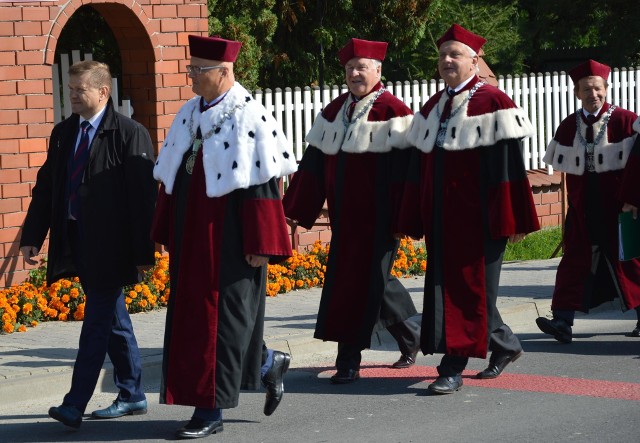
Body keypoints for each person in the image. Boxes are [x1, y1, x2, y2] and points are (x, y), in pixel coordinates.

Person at [151, 35, 297, 439]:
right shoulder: (190, 112)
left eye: (198, 70)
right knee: (201, 323)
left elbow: (264, 187)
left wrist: (263, 245)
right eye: (190, 68)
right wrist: (163, 228)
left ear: (224, 71)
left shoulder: (248, 116)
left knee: (224, 325)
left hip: (231, 241)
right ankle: (269, 363)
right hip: (191, 236)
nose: (191, 76)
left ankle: (208, 412)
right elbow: (170, 177)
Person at [395, 24, 540, 394]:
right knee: (462, 291)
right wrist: (410, 215)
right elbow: (417, 169)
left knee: (468, 291)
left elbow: (510, 168)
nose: (446, 60)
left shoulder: (493, 102)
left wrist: (513, 217)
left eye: (454, 54)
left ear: (474, 60)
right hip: (442, 219)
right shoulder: (432, 106)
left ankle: (451, 367)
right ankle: (505, 344)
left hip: (481, 219)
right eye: (443, 54)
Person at [19, 60, 157, 428]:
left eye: (80, 90)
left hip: (113, 247)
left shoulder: (129, 133)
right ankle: (132, 393)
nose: (73, 96)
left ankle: (74, 403)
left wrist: (144, 252)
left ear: (102, 92)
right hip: (76, 239)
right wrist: (33, 237)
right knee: (112, 318)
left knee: (95, 322)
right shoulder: (63, 133)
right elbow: (47, 187)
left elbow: (143, 199)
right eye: (70, 90)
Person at [282, 38, 421, 385]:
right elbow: (313, 165)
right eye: (349, 68)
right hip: (345, 219)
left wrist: (403, 218)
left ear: (378, 70)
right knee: (375, 282)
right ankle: (412, 335)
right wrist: (297, 208)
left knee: (359, 285)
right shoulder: (333, 112)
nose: (355, 73)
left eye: (362, 67)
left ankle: (349, 360)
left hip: (382, 220)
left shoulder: (395, 113)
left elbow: (408, 174)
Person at [537, 59, 640, 342]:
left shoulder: (626, 121)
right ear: (577, 93)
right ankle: (562, 321)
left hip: (621, 206)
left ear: (606, 89)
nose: (592, 94)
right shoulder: (569, 125)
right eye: (586, 90)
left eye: (597, 89)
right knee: (574, 260)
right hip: (583, 208)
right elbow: (562, 171)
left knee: (630, 260)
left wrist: (633, 199)